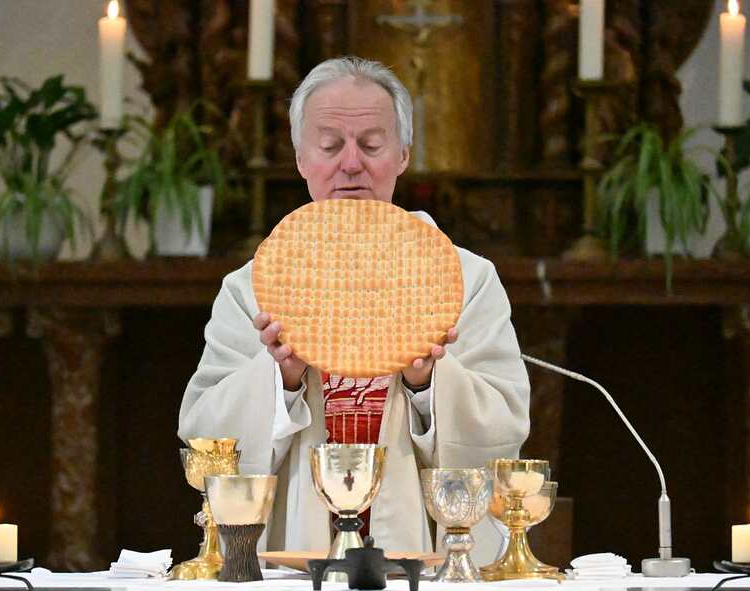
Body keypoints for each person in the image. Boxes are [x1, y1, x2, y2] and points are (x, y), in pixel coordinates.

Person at [178, 56, 529, 561]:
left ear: (403, 154)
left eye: (371, 144)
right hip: (294, 562)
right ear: (301, 158)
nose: (350, 163)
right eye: (329, 146)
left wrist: (428, 383)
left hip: (421, 562)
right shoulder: (250, 288)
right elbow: (203, 436)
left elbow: (505, 429)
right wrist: (281, 379)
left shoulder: (466, 281)